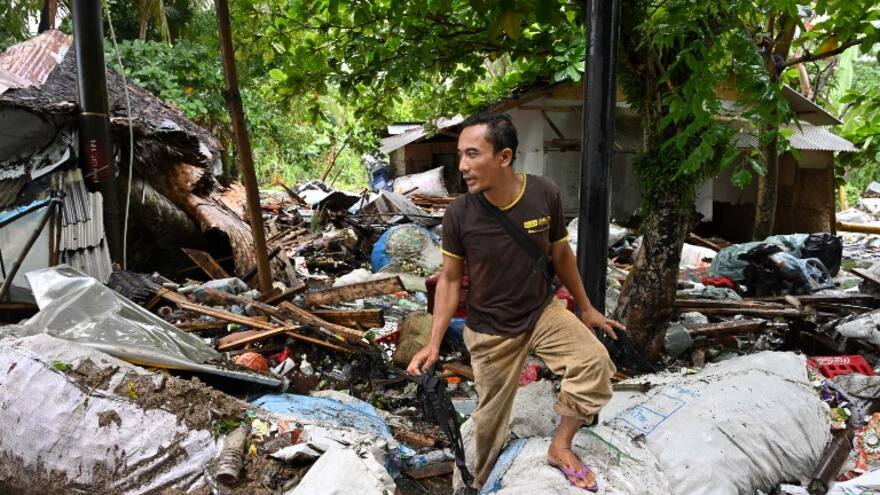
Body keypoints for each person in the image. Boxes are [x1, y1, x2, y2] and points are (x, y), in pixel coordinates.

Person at [406, 112, 623, 492]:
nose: (462, 166)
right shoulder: (459, 214)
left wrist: (586, 308)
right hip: (490, 331)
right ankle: (476, 484)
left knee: (593, 364)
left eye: (473, 154)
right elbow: (450, 281)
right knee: (488, 428)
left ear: (504, 157)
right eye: (460, 155)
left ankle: (561, 445)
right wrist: (433, 342)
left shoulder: (544, 193)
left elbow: (561, 255)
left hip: (542, 312)